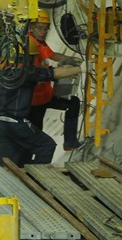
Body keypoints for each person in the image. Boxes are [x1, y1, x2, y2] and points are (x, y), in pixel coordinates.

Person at [0, 23, 82, 167]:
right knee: (46, 146)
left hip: (0, 124)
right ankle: (33, 178)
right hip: (17, 123)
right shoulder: (27, 72)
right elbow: (53, 73)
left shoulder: (3, 71)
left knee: (9, 163)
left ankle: (10, 183)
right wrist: (80, 69)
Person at [28, 11, 84, 151]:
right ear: (31, 28)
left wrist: (72, 60)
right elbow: (35, 76)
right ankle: (28, 163)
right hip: (33, 101)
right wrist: (61, 72)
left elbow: (52, 55)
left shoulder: (41, 44)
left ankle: (70, 142)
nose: (43, 32)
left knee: (73, 103)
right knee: (35, 134)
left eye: (46, 28)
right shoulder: (30, 46)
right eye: (39, 28)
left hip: (46, 96)